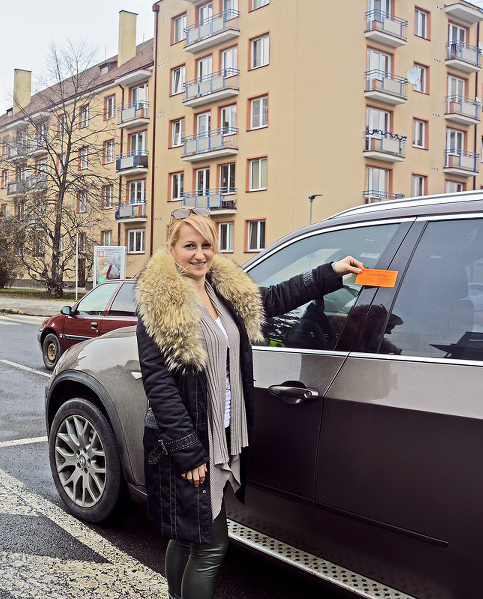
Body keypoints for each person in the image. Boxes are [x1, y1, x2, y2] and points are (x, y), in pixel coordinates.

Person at [134, 207, 363, 599]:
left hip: (221, 429)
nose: (200, 254)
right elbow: (159, 384)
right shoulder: (160, 303)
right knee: (209, 546)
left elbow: (275, 298)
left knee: (187, 535)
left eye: (207, 245)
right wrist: (188, 453)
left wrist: (331, 271)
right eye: (190, 245)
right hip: (186, 438)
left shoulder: (219, 289)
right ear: (171, 248)